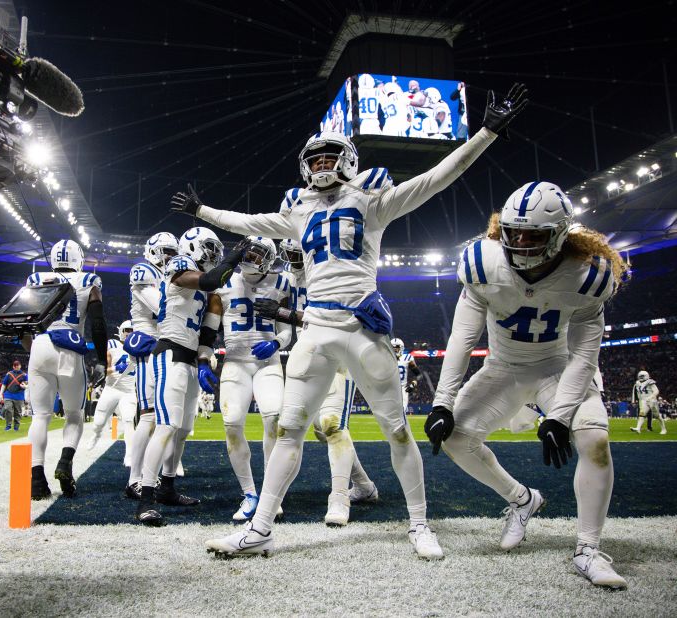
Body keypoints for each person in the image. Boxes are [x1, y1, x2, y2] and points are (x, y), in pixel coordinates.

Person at [173, 82, 527, 558]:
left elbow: (437, 177)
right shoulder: (297, 210)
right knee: (289, 430)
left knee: (397, 430)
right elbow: (249, 221)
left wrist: (485, 132)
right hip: (315, 330)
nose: (321, 165)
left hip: (361, 329)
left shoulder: (371, 201)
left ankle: (419, 525)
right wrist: (203, 211)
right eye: (314, 159)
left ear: (348, 160)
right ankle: (259, 529)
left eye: (329, 156)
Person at [425, 181, 628, 589]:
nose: (520, 241)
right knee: (455, 439)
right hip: (504, 368)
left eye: (532, 234)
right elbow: (462, 338)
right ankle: (522, 500)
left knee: (594, 442)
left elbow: (585, 354)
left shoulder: (588, 275)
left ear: (559, 235)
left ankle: (588, 549)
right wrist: (441, 402)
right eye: (513, 232)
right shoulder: (483, 263)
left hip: (560, 367)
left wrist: (559, 415)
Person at [135, 227, 248, 526]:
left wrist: (203, 359)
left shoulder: (209, 293)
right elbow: (210, 278)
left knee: (183, 428)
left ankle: (168, 488)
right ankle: (146, 497)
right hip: (169, 352)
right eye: (209, 248)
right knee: (166, 426)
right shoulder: (179, 265)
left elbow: (210, 328)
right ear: (193, 247)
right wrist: (234, 259)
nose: (213, 255)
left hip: (188, 358)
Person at [264, 238, 380, 527]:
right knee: (316, 429)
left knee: (332, 424)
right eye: (290, 254)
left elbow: (336, 315)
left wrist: (283, 313)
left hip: (340, 349)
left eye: (297, 253)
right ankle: (364, 486)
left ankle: (339, 497)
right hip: (308, 353)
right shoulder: (288, 278)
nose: (294, 260)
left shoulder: (337, 268)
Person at [203, 236, 293, 522]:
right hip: (236, 361)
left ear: (268, 257)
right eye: (247, 253)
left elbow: (287, 330)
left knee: (274, 418)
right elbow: (210, 326)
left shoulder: (281, 283)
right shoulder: (225, 282)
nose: (249, 258)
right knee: (231, 425)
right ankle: (250, 493)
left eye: (256, 255)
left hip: (268, 363)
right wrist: (204, 357)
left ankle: (271, 493)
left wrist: (277, 344)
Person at [26, 240, 108, 500]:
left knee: (40, 416)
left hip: (41, 344)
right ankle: (65, 462)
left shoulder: (36, 278)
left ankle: (37, 479)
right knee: (74, 413)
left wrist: (32, 350)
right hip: (71, 346)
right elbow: (97, 319)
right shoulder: (89, 280)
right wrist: (101, 359)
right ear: (79, 259)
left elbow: (23, 319)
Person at [123, 232, 179, 499]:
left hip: (163, 347)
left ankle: (148, 476)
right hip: (148, 346)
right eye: (165, 251)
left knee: (161, 418)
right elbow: (160, 308)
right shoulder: (143, 271)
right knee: (147, 416)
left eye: (172, 252)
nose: (169, 257)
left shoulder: (165, 274)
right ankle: (135, 479)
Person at [86, 322, 138, 465]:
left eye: (132, 330)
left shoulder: (139, 348)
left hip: (128, 391)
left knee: (128, 420)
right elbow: (104, 370)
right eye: (127, 330)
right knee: (98, 423)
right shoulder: (113, 345)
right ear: (120, 331)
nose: (129, 333)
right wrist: (117, 367)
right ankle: (97, 434)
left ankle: (129, 455)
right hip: (111, 389)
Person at [391, 337, 420, 415]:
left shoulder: (407, 358)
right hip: (389, 390)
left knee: (401, 414)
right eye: (392, 347)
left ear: (401, 347)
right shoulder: (385, 358)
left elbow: (418, 374)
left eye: (396, 347)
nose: (394, 349)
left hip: (402, 390)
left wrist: (413, 383)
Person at [1, 361, 28, 432]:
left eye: (17, 365)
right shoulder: (9, 374)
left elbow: (28, 384)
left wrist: (25, 386)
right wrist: (0, 394)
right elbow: (3, 384)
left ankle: (16, 426)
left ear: (20, 366)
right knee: (7, 408)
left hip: (19, 395)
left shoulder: (24, 375)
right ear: (13, 366)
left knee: (18, 412)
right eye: (15, 366)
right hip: (8, 394)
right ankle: (8, 425)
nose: (16, 367)